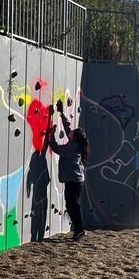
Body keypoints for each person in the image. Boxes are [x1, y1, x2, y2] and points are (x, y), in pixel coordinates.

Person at [49, 99, 89, 241]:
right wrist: (61, 113)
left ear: (74, 137)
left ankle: (79, 229)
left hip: (73, 180)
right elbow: (68, 127)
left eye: (72, 132)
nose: (69, 132)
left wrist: (51, 134)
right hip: (75, 179)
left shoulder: (72, 147)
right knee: (73, 204)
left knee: (73, 205)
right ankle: (79, 229)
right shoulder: (75, 142)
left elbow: (56, 148)